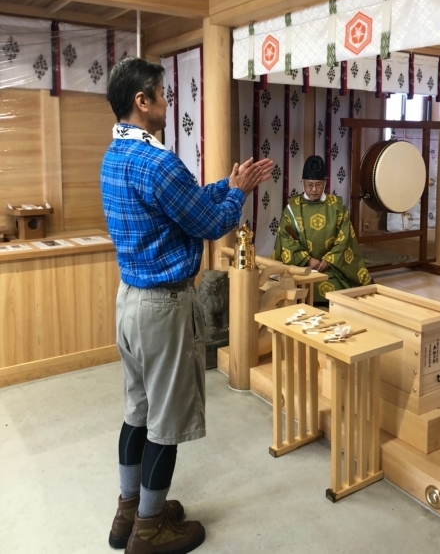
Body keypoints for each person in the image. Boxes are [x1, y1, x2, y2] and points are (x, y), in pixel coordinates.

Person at [100, 57, 273, 554]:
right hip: (163, 307)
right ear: (142, 102)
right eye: (160, 93)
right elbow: (206, 224)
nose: (166, 101)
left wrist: (226, 185)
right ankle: (152, 529)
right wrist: (237, 193)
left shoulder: (115, 156)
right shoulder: (159, 162)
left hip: (129, 301)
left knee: (137, 412)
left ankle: (128, 511)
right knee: (167, 421)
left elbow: (188, 203)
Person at [273, 155, 370, 304]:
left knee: (340, 293)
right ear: (302, 183)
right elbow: (285, 240)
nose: (314, 190)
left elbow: (345, 239)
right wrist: (307, 260)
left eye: (318, 184)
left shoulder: (337, 208)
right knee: (293, 289)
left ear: (325, 183)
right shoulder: (292, 209)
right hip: (302, 268)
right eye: (309, 184)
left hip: (333, 267)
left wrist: (328, 260)